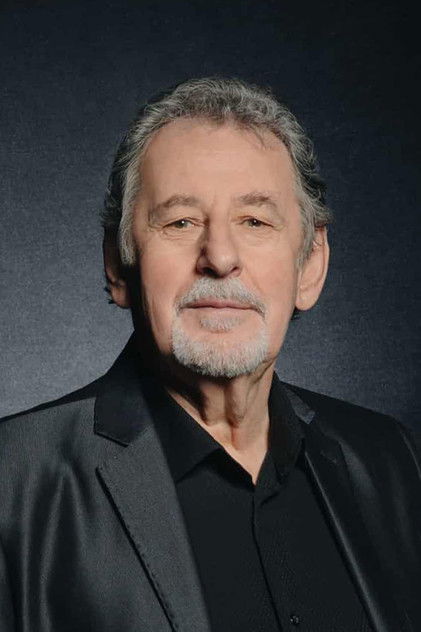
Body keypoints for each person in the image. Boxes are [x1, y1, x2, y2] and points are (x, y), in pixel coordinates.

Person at [0, 77, 420, 632]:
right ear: (117, 264)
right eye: (181, 222)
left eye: (255, 221)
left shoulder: (391, 460)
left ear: (311, 265)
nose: (219, 257)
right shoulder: (13, 481)